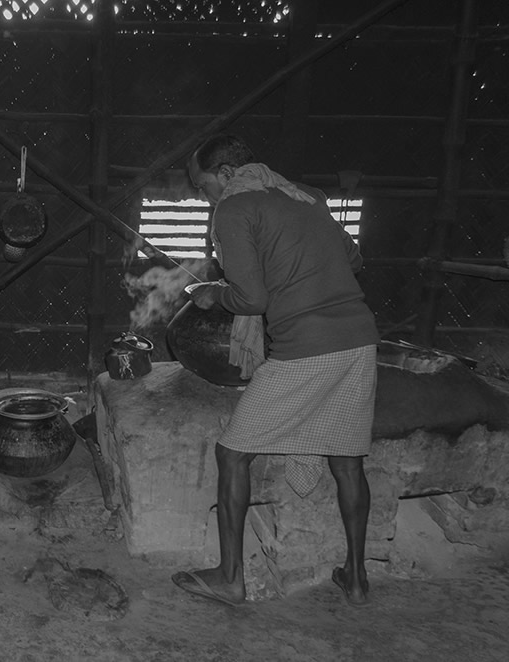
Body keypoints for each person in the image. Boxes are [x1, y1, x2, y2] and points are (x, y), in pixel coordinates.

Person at [172, 134, 380, 607]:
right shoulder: (305, 196)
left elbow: (251, 300)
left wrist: (212, 294)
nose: (205, 197)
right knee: (347, 460)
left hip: (308, 346)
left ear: (225, 174)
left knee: (232, 453)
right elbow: (354, 259)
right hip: (359, 338)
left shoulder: (234, 208)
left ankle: (229, 577)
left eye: (203, 187)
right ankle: (357, 578)